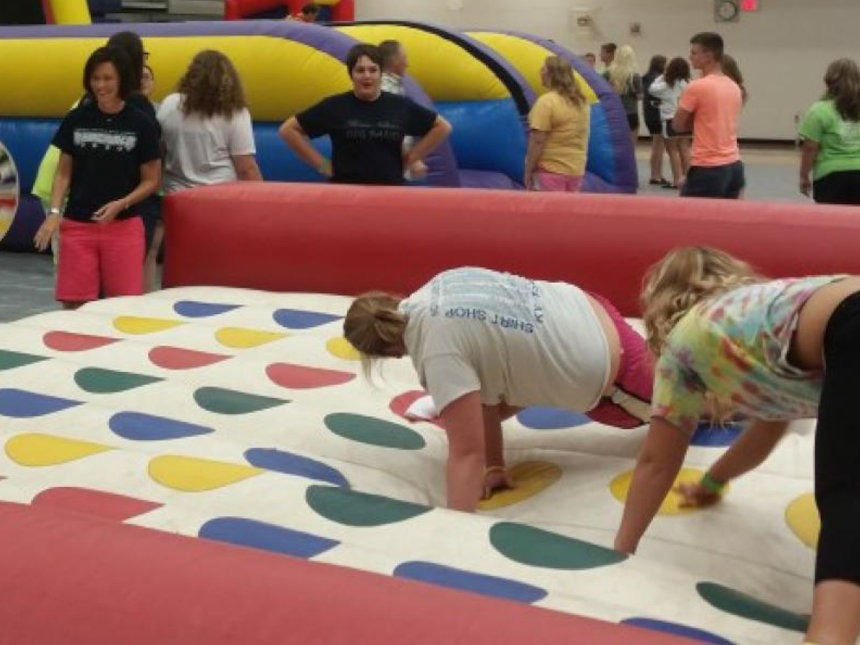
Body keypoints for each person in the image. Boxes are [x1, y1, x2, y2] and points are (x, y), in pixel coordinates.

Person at [613, 246, 860, 645]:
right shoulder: (755, 323)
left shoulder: (685, 343)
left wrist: (620, 552)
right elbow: (766, 431)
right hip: (846, 312)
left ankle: (830, 634)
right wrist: (712, 483)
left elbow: (657, 462)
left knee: (845, 490)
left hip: (851, 318)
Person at [343, 266, 654, 512]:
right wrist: (493, 465)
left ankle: (449, 401)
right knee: (489, 374)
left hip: (612, 376)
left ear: (390, 354)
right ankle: (449, 402)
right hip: (585, 307)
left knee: (679, 412)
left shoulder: (437, 353)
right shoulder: (440, 283)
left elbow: (466, 455)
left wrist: (450, 531)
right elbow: (486, 393)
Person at [32, 46, 161, 309]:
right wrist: (54, 213)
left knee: (122, 307)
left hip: (124, 228)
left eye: (107, 78)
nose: (101, 85)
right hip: (78, 225)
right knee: (74, 305)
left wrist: (122, 203)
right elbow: (63, 172)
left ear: (122, 79)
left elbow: (152, 180)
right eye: (95, 78)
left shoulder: (141, 123)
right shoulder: (76, 119)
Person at [155, 50, 261, 291]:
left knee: (179, 264)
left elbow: (160, 150)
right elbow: (245, 167)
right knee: (219, 267)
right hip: (220, 200)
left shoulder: (171, 104)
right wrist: (262, 204)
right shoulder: (234, 112)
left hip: (177, 198)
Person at [279, 43, 451, 185]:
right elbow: (288, 130)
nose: (367, 76)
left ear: (381, 73)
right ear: (351, 74)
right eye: (360, 70)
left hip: (390, 192)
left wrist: (412, 157)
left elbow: (442, 127)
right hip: (345, 193)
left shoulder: (400, 105)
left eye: (373, 70)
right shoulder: (334, 106)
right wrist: (323, 166)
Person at [673, 32, 744, 199]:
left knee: (692, 214)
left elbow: (677, 125)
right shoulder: (733, 86)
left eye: (694, 53)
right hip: (733, 164)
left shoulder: (697, 87)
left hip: (708, 167)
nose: (690, 57)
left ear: (708, 56)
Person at [798, 58, 860, 205]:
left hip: (830, 175)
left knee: (832, 218)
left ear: (829, 81)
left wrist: (804, 175)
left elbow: (810, 148)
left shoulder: (819, 110)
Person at [524, 56, 590, 192]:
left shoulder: (547, 102)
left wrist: (528, 169)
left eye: (543, 69)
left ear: (551, 75)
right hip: (576, 169)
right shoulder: (581, 102)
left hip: (550, 169)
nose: (540, 72)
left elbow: (537, 141)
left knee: (549, 206)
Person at [378, 39, 426, 180]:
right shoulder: (388, 89)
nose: (407, 63)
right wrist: (412, 160)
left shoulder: (390, 86)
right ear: (395, 61)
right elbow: (389, 130)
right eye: (404, 58)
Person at [649, 57, 692, 189]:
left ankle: (677, 180)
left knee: (672, 150)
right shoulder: (689, 84)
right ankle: (688, 179)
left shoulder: (665, 85)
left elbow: (651, 88)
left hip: (670, 119)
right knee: (685, 149)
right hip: (686, 119)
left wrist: (664, 75)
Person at [604, 45, 643, 148]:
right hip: (631, 113)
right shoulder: (634, 76)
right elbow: (640, 96)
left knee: (614, 145)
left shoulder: (607, 74)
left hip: (613, 112)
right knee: (630, 146)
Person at [642, 55, 668, 186]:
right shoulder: (658, 79)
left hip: (649, 115)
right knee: (658, 146)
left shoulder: (646, 78)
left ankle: (656, 174)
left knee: (657, 145)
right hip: (657, 115)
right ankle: (656, 175)